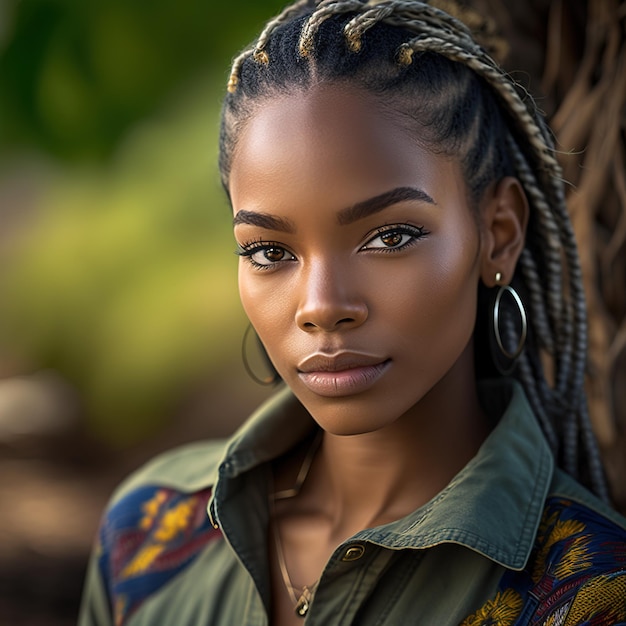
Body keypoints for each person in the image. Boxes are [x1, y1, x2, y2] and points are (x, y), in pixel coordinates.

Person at [78, 1, 626, 624]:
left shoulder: (589, 599)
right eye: (269, 250)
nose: (321, 307)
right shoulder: (144, 537)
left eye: (390, 237)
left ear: (497, 233)